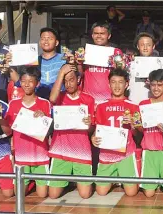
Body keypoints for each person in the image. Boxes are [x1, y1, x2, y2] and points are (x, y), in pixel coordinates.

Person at [47, 63, 95, 199]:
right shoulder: (59, 97)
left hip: (81, 149)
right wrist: (61, 73)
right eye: (65, 81)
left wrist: (89, 124)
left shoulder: (88, 99)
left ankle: (72, 181)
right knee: (53, 196)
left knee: (85, 195)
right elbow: (51, 99)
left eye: (71, 80)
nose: (68, 84)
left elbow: (91, 128)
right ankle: (65, 180)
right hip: (60, 149)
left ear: (79, 80)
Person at [91, 68, 140, 197]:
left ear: (127, 84)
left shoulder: (134, 106)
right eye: (113, 82)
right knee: (101, 193)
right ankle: (114, 178)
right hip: (107, 154)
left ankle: (120, 175)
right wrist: (93, 138)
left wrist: (134, 125)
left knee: (131, 193)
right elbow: (97, 131)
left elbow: (137, 135)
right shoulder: (101, 106)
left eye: (120, 82)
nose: (117, 86)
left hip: (126, 154)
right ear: (108, 84)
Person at [5, 67, 51, 198]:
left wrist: (44, 119)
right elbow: (9, 130)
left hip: (40, 156)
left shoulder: (45, 104)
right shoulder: (13, 104)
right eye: (23, 80)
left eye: (31, 81)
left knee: (42, 195)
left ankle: (35, 181)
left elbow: (48, 132)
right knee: (19, 195)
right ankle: (30, 183)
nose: (26, 84)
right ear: (20, 82)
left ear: (37, 83)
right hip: (21, 157)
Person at [138, 69, 163, 198]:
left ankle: (162, 180)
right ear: (149, 84)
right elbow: (140, 130)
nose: (156, 88)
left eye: (160, 85)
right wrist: (137, 125)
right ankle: (156, 181)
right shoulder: (143, 105)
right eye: (153, 84)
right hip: (149, 151)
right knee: (149, 194)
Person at [81, 21, 124, 104]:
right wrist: (78, 62)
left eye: (102, 33)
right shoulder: (85, 51)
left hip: (109, 98)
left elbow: (120, 74)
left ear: (109, 35)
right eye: (96, 33)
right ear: (92, 35)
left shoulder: (116, 52)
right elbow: (80, 74)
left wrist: (119, 67)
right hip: (88, 99)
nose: (99, 36)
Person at [129, 33, 156, 105]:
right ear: (138, 46)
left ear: (153, 46)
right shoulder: (130, 65)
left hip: (152, 105)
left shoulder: (159, 66)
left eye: (148, 45)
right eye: (142, 45)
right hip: (133, 103)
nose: (145, 48)